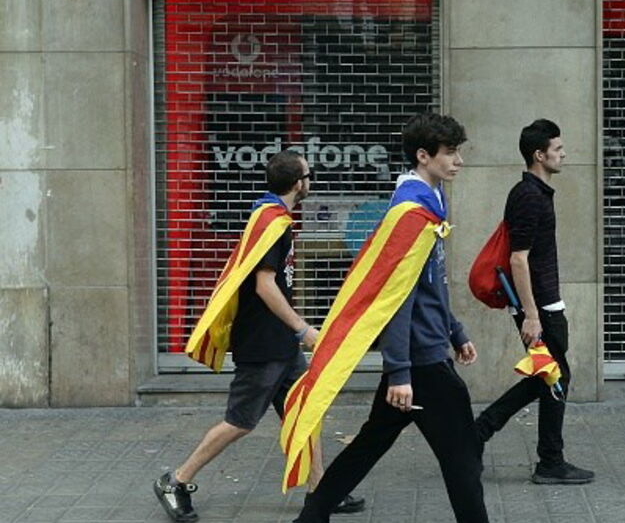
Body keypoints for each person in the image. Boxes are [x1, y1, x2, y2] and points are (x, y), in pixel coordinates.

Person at [292, 113, 488, 523]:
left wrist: (455, 330)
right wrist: (399, 371)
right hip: (421, 362)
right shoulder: (410, 214)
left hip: (424, 351)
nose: (458, 161)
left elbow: (428, 284)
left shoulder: (430, 204)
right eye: (450, 153)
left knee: (372, 442)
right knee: (463, 458)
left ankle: (312, 515)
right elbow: (394, 299)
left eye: (458, 152)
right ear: (423, 156)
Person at [153, 150, 364, 522]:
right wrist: (302, 328)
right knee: (240, 421)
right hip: (263, 344)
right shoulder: (272, 223)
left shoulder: (273, 217)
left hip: (279, 343)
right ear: (299, 183)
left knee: (305, 411)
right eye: (308, 175)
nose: (310, 181)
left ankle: (320, 492)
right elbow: (265, 285)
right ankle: (176, 480)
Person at [474, 119, 595, 485]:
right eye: (557, 150)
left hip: (543, 302)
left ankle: (482, 433)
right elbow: (517, 258)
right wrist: (531, 314)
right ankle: (548, 460)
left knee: (550, 375)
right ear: (539, 155)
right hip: (538, 306)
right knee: (555, 376)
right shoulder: (528, 196)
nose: (564, 154)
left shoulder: (536, 192)